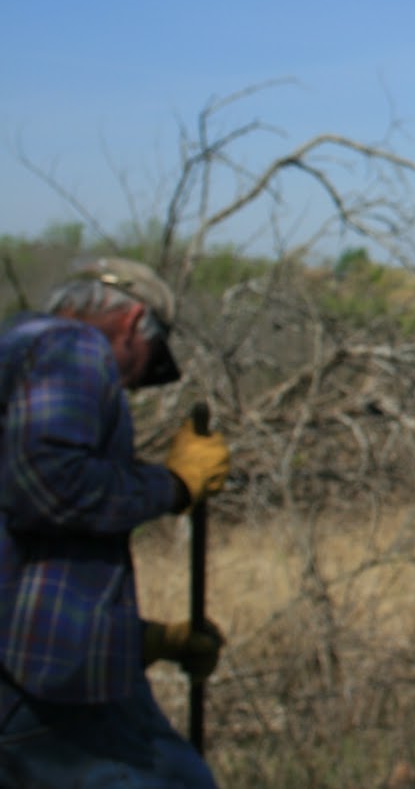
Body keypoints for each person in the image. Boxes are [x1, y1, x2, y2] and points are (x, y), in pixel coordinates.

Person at [1, 257, 232, 788]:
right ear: (131, 323)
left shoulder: (13, 349)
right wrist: (175, 486)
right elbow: (49, 488)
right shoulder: (73, 346)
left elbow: (24, 556)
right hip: (40, 693)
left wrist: (146, 641)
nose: (129, 385)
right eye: (146, 364)